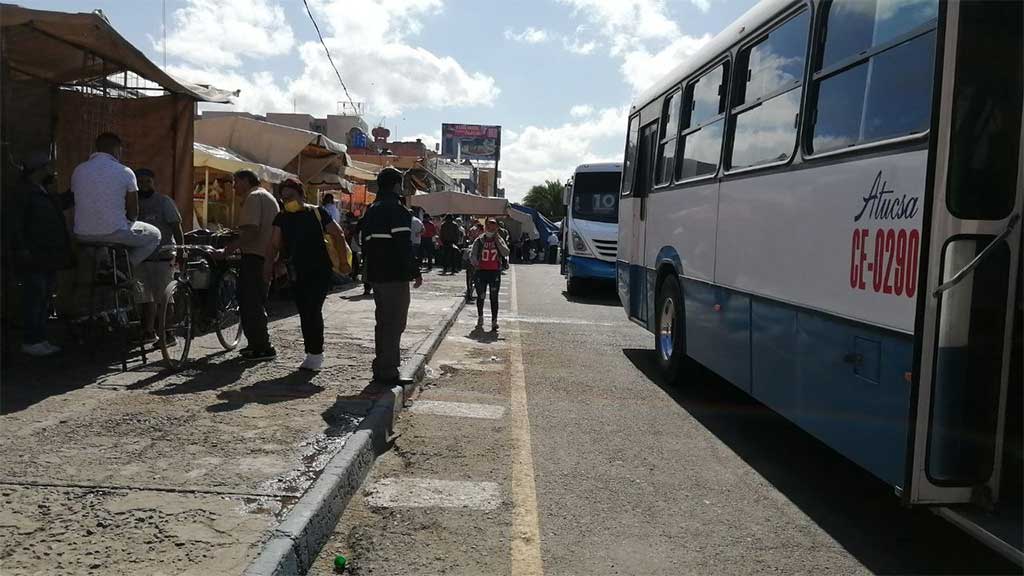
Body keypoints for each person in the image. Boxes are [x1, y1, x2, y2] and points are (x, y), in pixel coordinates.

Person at [266, 179, 347, 372]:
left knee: (312, 308)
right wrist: (268, 267)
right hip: (296, 270)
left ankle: (315, 353)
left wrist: (344, 261)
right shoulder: (282, 217)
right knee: (304, 310)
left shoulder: (317, 212)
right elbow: (274, 244)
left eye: (291, 197)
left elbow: (338, 234)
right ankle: (311, 352)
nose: (287, 201)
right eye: (284, 198)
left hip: (320, 270)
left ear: (302, 195)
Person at [361, 167, 422, 385]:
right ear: (396, 185)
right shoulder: (397, 210)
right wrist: (415, 271)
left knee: (383, 321)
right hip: (394, 275)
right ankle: (388, 371)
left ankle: (381, 366)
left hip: (376, 274)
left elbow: (364, 242)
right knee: (395, 322)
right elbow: (403, 245)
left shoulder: (372, 208)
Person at [9, 152, 73, 356]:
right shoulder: (24, 193)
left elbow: (59, 204)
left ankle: (41, 339)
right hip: (33, 255)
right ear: (37, 171)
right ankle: (31, 340)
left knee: (44, 297)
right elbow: (15, 224)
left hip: (47, 255)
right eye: (47, 168)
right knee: (34, 297)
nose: (51, 171)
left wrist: (78, 191)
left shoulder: (42, 191)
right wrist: (21, 249)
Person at [72, 132, 160, 266]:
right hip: (113, 233)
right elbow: (133, 213)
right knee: (155, 236)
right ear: (117, 149)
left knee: (100, 237)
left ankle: (104, 266)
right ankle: (125, 267)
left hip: (81, 234)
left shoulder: (79, 170)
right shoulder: (125, 171)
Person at [219, 169, 280, 360]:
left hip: (255, 257)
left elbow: (251, 231)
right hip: (265, 256)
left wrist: (227, 250)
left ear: (246, 180)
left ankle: (262, 347)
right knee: (254, 302)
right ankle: (257, 344)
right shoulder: (266, 196)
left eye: (235, 182)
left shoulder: (254, 197)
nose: (234, 186)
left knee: (251, 303)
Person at [134, 168, 184, 345]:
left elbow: (176, 227)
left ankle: (168, 335)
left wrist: (180, 251)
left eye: (148, 182)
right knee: (145, 298)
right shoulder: (133, 204)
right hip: (141, 259)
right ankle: (148, 332)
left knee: (164, 298)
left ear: (153, 183)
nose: (144, 185)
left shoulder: (164, 202)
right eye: (140, 182)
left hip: (162, 258)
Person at [470, 218, 510, 332]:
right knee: (481, 296)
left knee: (494, 297)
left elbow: (506, 252)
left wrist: (497, 240)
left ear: (496, 227)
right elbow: (473, 254)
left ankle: (494, 321)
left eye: (493, 225)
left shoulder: (499, 239)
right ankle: (480, 317)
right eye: (489, 225)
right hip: (481, 272)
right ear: (485, 226)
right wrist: (475, 263)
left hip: (494, 272)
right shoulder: (479, 240)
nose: (491, 228)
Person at [464, 220, 483, 301]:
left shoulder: (472, 230)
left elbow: (468, 237)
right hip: (476, 256)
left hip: (471, 254)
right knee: (475, 276)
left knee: (470, 276)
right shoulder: (482, 234)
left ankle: (470, 291)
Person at [409, 205, 424, 269]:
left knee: (410, 255)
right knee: (415, 255)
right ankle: (416, 267)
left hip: (409, 240)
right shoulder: (418, 220)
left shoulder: (406, 220)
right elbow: (423, 230)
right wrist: (419, 234)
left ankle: (411, 267)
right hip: (417, 241)